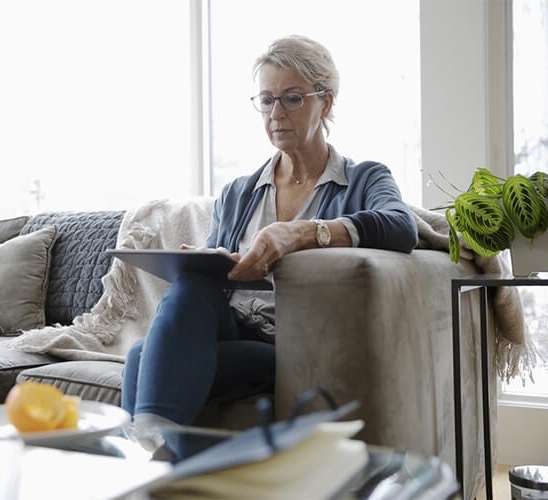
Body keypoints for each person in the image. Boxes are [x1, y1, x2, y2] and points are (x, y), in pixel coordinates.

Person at [120, 34, 418, 452]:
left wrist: (304, 232)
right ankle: (162, 459)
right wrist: (209, 261)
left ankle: (150, 457)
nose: (276, 113)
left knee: (140, 360)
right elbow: (213, 286)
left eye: (292, 99)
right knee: (191, 285)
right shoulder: (239, 193)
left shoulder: (365, 178)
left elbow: (400, 227)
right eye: (267, 100)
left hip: (290, 342)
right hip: (232, 327)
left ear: (325, 103)